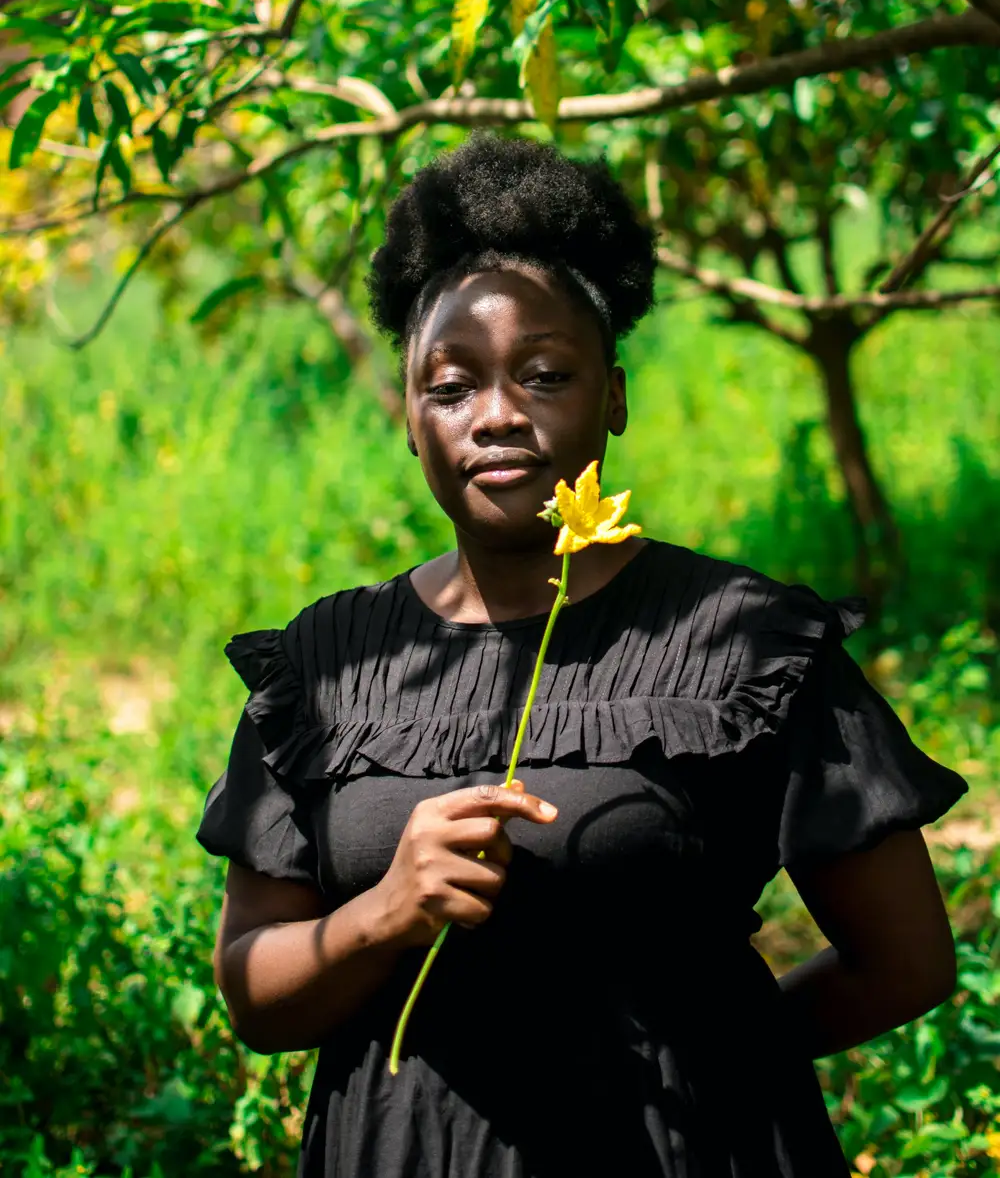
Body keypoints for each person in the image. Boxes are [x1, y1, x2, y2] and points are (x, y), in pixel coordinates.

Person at [196, 134, 969, 1178]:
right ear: (411, 424)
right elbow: (253, 994)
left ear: (612, 396)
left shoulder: (745, 640)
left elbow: (906, 963)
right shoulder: (325, 665)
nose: (498, 415)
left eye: (545, 374)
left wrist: (712, 1061)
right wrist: (384, 914)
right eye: (452, 385)